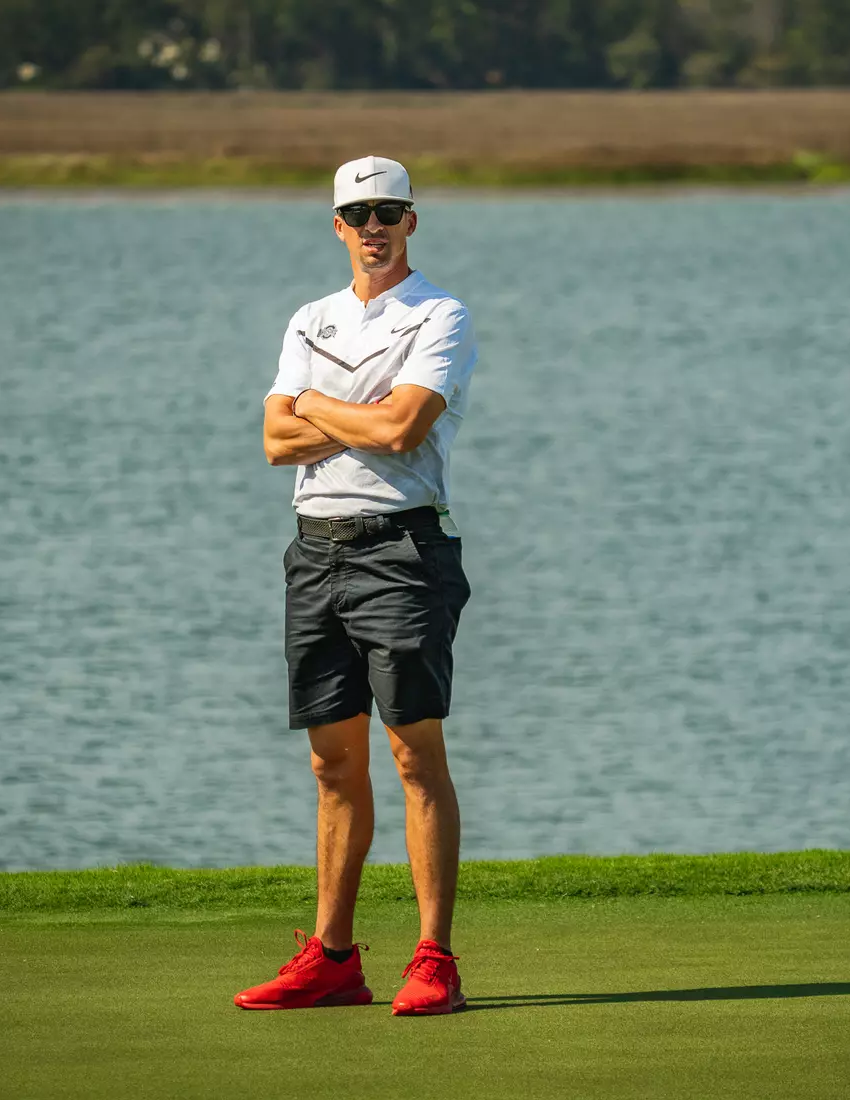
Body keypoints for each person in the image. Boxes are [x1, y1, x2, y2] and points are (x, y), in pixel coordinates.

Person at [234, 156, 476, 1016]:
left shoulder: (441, 313)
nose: (374, 227)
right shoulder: (310, 319)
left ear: (413, 220)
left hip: (403, 552)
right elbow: (272, 439)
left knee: (415, 753)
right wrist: (358, 419)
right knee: (332, 762)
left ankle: (433, 958)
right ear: (336, 225)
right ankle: (334, 957)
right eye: (358, 214)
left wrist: (320, 410)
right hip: (316, 553)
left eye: (389, 212)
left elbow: (406, 428)